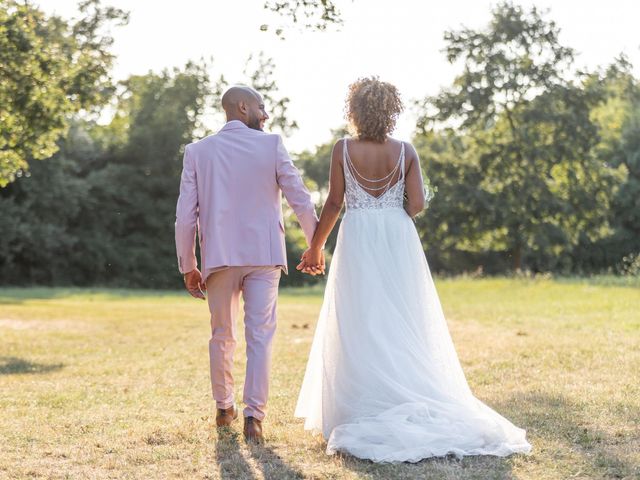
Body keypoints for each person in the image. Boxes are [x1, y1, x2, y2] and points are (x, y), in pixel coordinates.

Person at [295, 77, 531, 462]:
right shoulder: (405, 151)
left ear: (353, 111)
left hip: (358, 236)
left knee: (360, 317)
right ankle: (405, 389)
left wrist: (315, 248)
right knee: (403, 315)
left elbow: (335, 203)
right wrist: (391, 209)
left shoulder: (342, 149)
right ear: (391, 111)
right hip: (396, 236)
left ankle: (362, 403)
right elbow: (417, 204)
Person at [175, 85, 319, 443]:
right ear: (243, 106)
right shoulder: (271, 145)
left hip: (219, 258)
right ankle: (254, 417)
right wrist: (315, 245)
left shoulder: (198, 152)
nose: (265, 114)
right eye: (261, 106)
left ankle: (224, 408)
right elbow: (300, 198)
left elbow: (184, 217)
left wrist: (188, 265)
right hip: (264, 255)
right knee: (260, 337)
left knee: (221, 334)